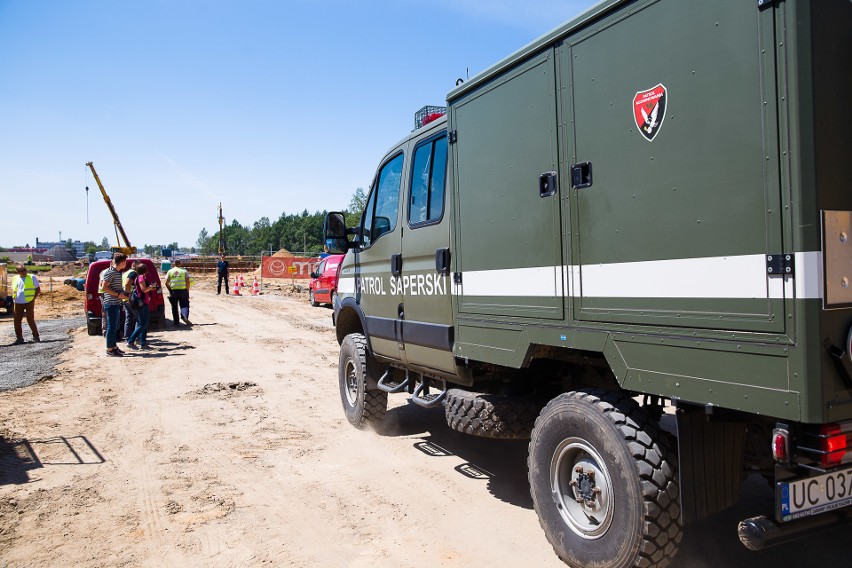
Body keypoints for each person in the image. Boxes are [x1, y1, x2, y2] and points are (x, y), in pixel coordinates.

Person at [101, 253, 129, 356]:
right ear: (122, 262)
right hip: (111, 303)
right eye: (125, 261)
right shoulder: (111, 272)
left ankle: (114, 347)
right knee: (112, 327)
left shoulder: (117, 272)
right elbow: (104, 287)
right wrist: (118, 295)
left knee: (115, 326)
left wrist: (122, 295)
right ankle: (110, 349)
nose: (126, 264)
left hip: (116, 303)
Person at [125, 263, 157, 350]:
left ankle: (143, 343)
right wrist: (151, 286)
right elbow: (144, 289)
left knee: (143, 323)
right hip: (142, 303)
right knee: (142, 324)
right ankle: (131, 341)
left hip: (142, 302)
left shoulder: (138, 277)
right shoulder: (141, 277)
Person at [11, 264, 40, 344]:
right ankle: (19, 338)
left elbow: (38, 289)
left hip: (29, 301)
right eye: (22, 271)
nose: (24, 272)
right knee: (17, 320)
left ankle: (36, 336)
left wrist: (33, 298)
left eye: (25, 270)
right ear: (17, 272)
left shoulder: (32, 277)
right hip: (18, 302)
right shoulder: (14, 278)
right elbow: (14, 289)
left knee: (30, 319)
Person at [165, 259, 191, 326]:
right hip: (183, 291)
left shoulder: (170, 271)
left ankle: (176, 322)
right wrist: (187, 290)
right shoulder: (184, 271)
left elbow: (166, 283)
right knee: (184, 305)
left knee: (174, 307)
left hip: (174, 291)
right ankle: (184, 316)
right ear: (180, 264)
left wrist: (170, 290)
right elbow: (188, 282)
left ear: (174, 264)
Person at [122, 260, 141, 340]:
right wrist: (128, 295)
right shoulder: (133, 273)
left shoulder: (124, 273)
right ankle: (136, 338)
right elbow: (127, 284)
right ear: (135, 265)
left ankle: (127, 337)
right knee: (138, 319)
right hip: (131, 298)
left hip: (125, 299)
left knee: (129, 318)